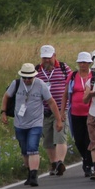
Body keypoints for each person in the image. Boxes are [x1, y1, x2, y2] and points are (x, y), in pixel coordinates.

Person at [1, 63, 63, 187]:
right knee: (24, 150)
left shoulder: (41, 85)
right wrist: (3, 112)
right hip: (19, 123)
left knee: (32, 148)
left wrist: (59, 120)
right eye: (25, 77)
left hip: (36, 122)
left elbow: (51, 102)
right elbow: (6, 96)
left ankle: (34, 176)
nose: (27, 80)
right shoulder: (16, 84)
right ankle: (30, 173)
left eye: (30, 77)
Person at [35, 45, 70, 176]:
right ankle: (53, 163)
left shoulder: (63, 68)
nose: (47, 61)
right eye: (44, 58)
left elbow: (69, 85)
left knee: (60, 136)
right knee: (48, 139)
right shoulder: (36, 70)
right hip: (43, 110)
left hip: (61, 109)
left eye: (49, 58)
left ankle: (60, 162)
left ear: (54, 56)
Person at [62, 52, 95, 177]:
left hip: (91, 113)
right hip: (75, 113)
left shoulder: (94, 75)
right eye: (80, 62)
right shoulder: (72, 75)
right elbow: (65, 94)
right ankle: (86, 159)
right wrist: (62, 111)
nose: (82, 65)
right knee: (78, 140)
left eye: (85, 62)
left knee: (89, 139)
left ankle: (88, 164)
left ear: (89, 63)